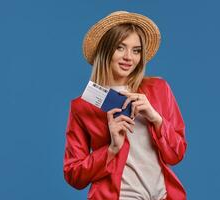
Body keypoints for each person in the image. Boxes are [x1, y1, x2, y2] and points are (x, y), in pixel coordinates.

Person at [63, 11, 187, 200]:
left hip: (163, 195)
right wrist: (111, 149)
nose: (129, 57)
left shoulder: (159, 89)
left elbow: (176, 155)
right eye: (120, 48)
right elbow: (73, 174)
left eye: (136, 50)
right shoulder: (83, 106)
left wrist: (156, 118)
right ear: (105, 51)